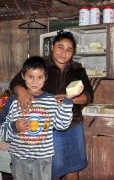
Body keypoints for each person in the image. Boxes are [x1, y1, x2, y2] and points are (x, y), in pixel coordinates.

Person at [10, 30, 94, 180]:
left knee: (74, 167)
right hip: (47, 127)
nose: (64, 53)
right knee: (51, 169)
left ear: (73, 52)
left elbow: (88, 95)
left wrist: (70, 100)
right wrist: (22, 92)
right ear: (53, 47)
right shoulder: (41, 66)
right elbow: (15, 83)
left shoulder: (78, 69)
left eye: (69, 49)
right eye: (60, 47)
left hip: (74, 124)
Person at [0, 56, 74, 180]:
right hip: (19, 158)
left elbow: (62, 125)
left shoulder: (52, 101)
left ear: (45, 78)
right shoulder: (14, 100)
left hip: (43, 158)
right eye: (31, 77)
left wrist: (67, 104)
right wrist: (14, 127)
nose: (35, 81)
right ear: (23, 76)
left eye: (40, 77)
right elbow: (3, 133)